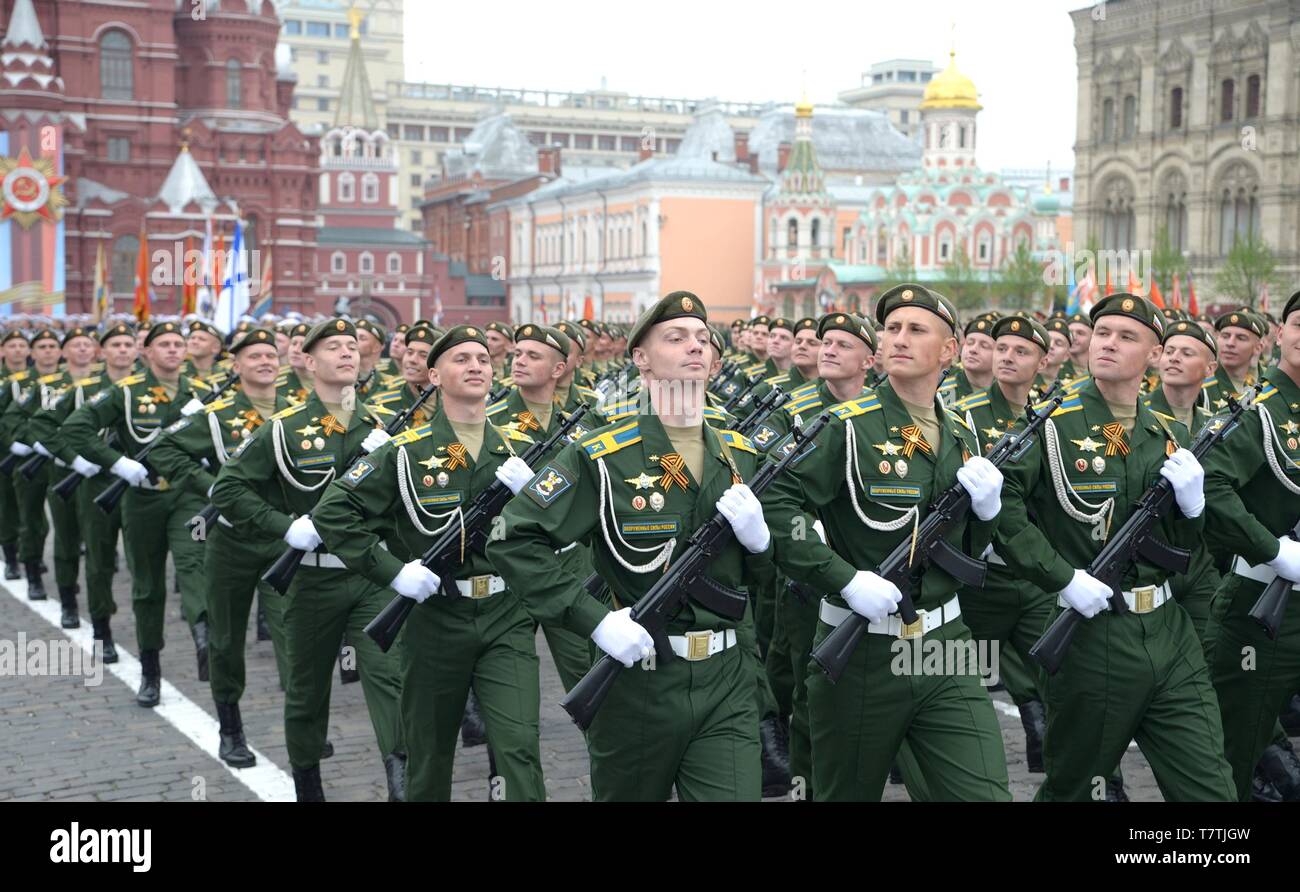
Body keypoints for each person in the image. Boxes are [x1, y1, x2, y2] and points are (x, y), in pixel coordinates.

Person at [492, 292, 776, 801]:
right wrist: (594, 620)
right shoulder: (602, 457)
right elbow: (513, 540)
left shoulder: (740, 454)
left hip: (726, 681)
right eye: (676, 337)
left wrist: (761, 543)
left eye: (702, 338)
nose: (695, 345)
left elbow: (758, 579)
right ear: (641, 359)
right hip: (639, 679)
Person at [760, 285, 1010, 801]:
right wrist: (843, 578)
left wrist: (987, 514)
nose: (899, 338)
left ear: (949, 351)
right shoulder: (843, 428)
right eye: (891, 329)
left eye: (916, 330)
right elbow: (777, 506)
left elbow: (964, 544)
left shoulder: (963, 433)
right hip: (863, 653)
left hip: (946, 647)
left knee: (983, 793)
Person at [997, 293, 1236, 801]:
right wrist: (1063, 578)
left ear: (1153, 354)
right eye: (1102, 333)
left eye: (1127, 337)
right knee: (1075, 787)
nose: (1108, 343)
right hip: (1092, 634)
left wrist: (1194, 510)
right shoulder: (1051, 423)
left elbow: (1189, 550)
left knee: (1210, 786)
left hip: (1171, 635)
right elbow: (1003, 509)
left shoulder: (1168, 433)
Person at [211, 318, 407, 801]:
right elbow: (227, 489)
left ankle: (401, 781)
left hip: (370, 577)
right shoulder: (284, 430)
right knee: (306, 690)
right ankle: (308, 786)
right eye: (333, 347)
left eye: (352, 346)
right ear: (306, 360)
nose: (347, 353)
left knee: (391, 679)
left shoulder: (384, 427)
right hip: (311, 580)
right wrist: (285, 527)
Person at [149, 327, 293, 768]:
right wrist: (214, 488)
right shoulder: (217, 415)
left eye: (272, 355)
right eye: (255, 357)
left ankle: (303, 727)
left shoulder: (299, 413)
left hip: (286, 539)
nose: (266, 362)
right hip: (232, 541)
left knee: (295, 637)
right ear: (237, 365)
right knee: (226, 640)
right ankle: (231, 728)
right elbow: (163, 449)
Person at [60, 321, 218, 705]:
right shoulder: (125, 393)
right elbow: (74, 429)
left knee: (193, 563)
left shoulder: (202, 392)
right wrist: (117, 463)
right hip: (142, 498)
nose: (173, 350)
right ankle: (151, 669)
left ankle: (204, 634)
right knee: (147, 588)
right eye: (163, 344)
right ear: (146, 352)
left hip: (184, 496)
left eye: (178, 344)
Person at [1202, 289, 1300, 801]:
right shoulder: (1257, 412)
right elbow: (1210, 486)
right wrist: (1275, 550)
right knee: (1236, 751)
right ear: (1279, 335)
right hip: (1268, 612)